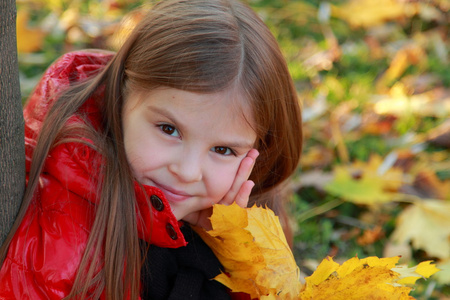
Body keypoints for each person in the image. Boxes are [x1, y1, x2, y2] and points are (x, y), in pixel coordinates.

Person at [0, 0, 302, 299]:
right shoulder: (65, 239)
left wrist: (232, 247)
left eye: (223, 150)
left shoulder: (242, 218)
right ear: (120, 100)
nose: (187, 171)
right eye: (169, 130)